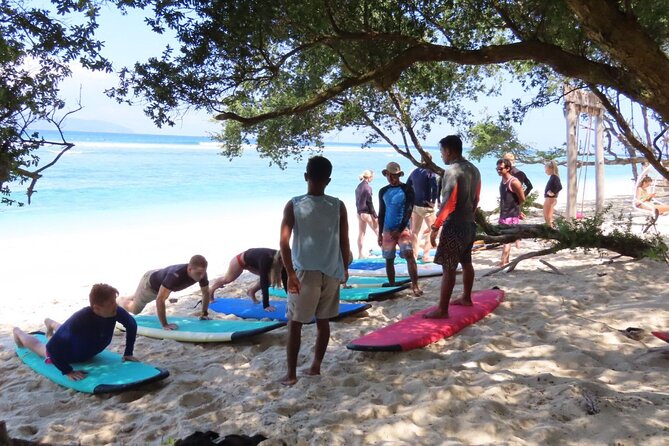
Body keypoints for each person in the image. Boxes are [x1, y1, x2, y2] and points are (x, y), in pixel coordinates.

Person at [279, 155, 349, 386]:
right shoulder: (338, 205)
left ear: (306, 176)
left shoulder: (295, 204)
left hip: (304, 272)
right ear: (328, 180)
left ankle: (291, 374)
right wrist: (344, 268)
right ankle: (315, 366)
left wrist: (290, 273)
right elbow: (344, 242)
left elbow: (283, 243)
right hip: (331, 270)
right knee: (323, 321)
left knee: (295, 323)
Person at [13, 284, 138, 381]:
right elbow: (52, 348)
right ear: (96, 308)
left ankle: (51, 323)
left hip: (83, 346)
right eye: (111, 303)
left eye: (114, 301)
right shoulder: (80, 319)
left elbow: (131, 325)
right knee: (42, 347)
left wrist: (128, 352)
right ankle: (18, 332)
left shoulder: (115, 312)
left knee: (67, 333)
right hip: (68, 355)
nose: (115, 305)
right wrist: (67, 371)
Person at [424, 135, 481, 319]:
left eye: (442, 152)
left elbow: (448, 203)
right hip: (469, 223)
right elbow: (476, 199)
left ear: (449, 150)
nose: (441, 156)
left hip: (454, 225)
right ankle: (466, 297)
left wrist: (435, 227)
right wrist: (469, 217)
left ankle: (442, 309)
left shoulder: (452, 171)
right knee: (466, 262)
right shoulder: (474, 169)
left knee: (448, 267)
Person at [117, 254, 210, 330]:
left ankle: (136, 295)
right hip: (150, 286)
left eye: (203, 272)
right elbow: (160, 300)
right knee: (135, 310)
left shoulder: (201, 273)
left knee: (143, 296)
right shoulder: (175, 276)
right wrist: (165, 325)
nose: (202, 276)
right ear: (190, 269)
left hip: (161, 280)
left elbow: (205, 293)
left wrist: (204, 314)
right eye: (199, 273)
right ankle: (119, 300)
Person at [378, 161, 423, 296]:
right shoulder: (383, 191)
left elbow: (408, 211)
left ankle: (415, 285)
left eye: (395, 176)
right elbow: (382, 212)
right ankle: (392, 285)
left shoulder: (407, 189)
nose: (392, 178)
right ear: (386, 175)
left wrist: (400, 229)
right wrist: (379, 233)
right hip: (387, 229)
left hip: (403, 229)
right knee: (389, 258)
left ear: (399, 175)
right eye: (389, 175)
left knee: (409, 255)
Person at [209, 248, 287, 312]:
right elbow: (263, 281)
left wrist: (291, 300)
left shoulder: (283, 260)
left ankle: (251, 291)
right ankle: (211, 291)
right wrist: (266, 306)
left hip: (253, 263)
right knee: (227, 279)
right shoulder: (267, 259)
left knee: (269, 279)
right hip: (240, 261)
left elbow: (285, 279)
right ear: (280, 259)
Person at [407, 153, 440, 263]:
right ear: (430, 160)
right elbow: (434, 188)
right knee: (434, 229)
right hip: (426, 206)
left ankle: (415, 255)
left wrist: (411, 199)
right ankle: (426, 255)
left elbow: (407, 185)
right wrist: (433, 201)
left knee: (415, 231)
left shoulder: (415, 172)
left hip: (416, 205)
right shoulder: (430, 172)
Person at [497, 158, 526, 266]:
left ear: (508, 168)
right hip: (503, 213)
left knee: (507, 240)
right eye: (497, 168)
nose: (498, 170)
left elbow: (522, 198)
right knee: (505, 238)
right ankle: (506, 260)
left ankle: (502, 262)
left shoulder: (514, 182)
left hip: (511, 215)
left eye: (500, 168)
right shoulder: (503, 180)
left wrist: (517, 210)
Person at [354, 169, 379, 259]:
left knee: (361, 234)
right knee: (378, 231)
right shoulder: (368, 187)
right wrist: (375, 216)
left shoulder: (358, 187)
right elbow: (369, 203)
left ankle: (360, 254)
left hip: (359, 213)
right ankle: (386, 251)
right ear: (370, 177)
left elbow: (357, 202)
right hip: (366, 213)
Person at [543, 160, 562, 227]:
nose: (545, 171)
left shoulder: (555, 177)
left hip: (550, 199)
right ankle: (549, 229)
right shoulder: (553, 177)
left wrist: (553, 193)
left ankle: (550, 230)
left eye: (546, 170)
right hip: (549, 198)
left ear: (551, 169)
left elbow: (559, 187)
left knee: (548, 217)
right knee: (547, 217)